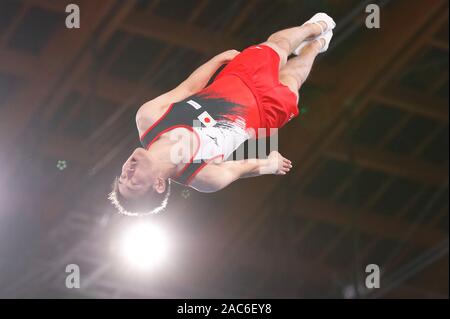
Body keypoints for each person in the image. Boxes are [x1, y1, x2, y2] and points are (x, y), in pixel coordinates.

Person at [109, 13, 336, 216]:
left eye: (122, 178)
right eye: (133, 183)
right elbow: (240, 169)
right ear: (159, 185)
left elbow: (188, 88)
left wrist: (217, 60)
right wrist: (270, 165)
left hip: (238, 76)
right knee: (293, 79)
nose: (126, 173)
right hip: (264, 113)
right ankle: (314, 48)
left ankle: (313, 28)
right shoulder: (203, 177)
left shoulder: (148, 119)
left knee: (278, 44)